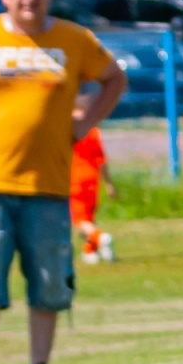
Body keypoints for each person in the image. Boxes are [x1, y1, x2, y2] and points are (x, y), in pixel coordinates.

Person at [0, 0, 127, 364]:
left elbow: (114, 78)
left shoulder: (73, 40)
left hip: (48, 181)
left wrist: (84, 124)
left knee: (49, 279)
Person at [70, 89, 116, 265]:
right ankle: (90, 251)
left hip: (73, 178)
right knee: (88, 217)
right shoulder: (92, 129)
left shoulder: (69, 126)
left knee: (79, 219)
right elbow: (101, 159)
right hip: (92, 178)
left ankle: (100, 237)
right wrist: (110, 183)